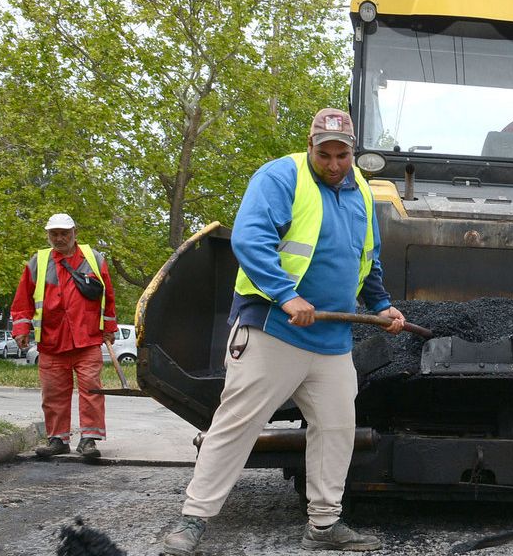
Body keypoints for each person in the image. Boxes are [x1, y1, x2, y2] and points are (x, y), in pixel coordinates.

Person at [161, 108, 406, 556]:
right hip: (273, 328)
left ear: (355, 152)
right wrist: (286, 295)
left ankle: (324, 524)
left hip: (332, 341)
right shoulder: (280, 178)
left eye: (342, 155)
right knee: (237, 425)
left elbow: (367, 259)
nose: (333, 164)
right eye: (324, 153)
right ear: (311, 146)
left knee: (336, 428)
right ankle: (193, 521)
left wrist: (383, 304)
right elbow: (251, 240)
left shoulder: (365, 195)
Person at [10, 213, 118, 461]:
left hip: (87, 338)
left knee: (91, 390)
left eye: (64, 233)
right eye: (54, 234)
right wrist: (21, 330)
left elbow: (107, 296)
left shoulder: (94, 259)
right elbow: (22, 300)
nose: (59, 238)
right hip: (52, 340)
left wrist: (109, 328)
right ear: (48, 235)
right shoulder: (39, 261)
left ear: (74, 233)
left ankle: (89, 440)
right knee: (53, 392)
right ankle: (57, 439)